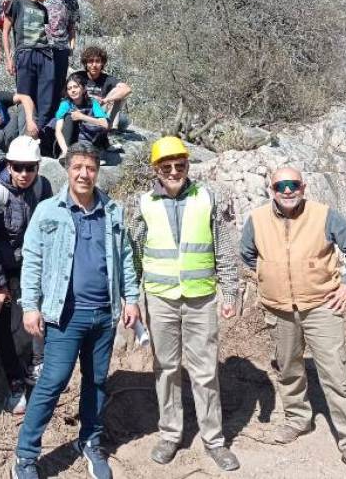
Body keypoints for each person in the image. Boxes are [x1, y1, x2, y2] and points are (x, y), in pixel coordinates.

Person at [240, 167, 346, 479]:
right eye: (281, 186)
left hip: (321, 307)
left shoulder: (324, 215)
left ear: (304, 187)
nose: (287, 190)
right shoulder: (257, 220)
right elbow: (247, 255)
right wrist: (269, 277)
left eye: (293, 185)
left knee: (337, 375)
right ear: (271, 190)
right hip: (279, 309)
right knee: (288, 368)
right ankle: (297, 418)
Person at [13, 142, 140, 479]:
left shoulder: (112, 210)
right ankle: (25, 455)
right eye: (78, 167)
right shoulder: (48, 211)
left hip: (104, 314)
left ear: (97, 171)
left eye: (91, 167)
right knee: (52, 381)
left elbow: (125, 257)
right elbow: (33, 262)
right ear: (67, 169)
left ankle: (90, 442)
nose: (84, 173)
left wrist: (132, 298)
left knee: (97, 382)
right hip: (65, 316)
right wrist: (30, 306)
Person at [127, 136, 240, 472]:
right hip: (160, 299)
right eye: (167, 166)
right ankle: (170, 434)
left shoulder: (207, 197)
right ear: (156, 169)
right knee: (166, 368)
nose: (174, 171)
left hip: (200, 298)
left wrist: (230, 292)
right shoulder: (144, 203)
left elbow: (223, 247)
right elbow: (133, 254)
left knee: (205, 371)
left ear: (188, 165)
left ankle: (214, 440)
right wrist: (131, 297)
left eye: (180, 165)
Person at [0, 135, 52, 415]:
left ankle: (38, 362)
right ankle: (14, 380)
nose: (24, 174)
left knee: (41, 310)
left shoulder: (43, 187)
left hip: (30, 262)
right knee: (2, 319)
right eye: (18, 167)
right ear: (8, 164)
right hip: (1, 265)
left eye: (30, 168)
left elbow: (49, 227)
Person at [3, 0, 54, 130]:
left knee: (46, 94)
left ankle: (42, 133)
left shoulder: (43, 9)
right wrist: (8, 58)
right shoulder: (17, 3)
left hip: (44, 54)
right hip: (25, 53)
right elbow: (5, 32)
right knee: (25, 94)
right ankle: (25, 132)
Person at [44, 0, 80, 118]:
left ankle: (55, 118)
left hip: (62, 47)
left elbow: (73, 26)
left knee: (59, 84)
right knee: (45, 83)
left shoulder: (72, 0)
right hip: (42, 46)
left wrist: (72, 45)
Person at [72, 46, 131, 131]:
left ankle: (110, 130)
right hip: (82, 110)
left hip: (100, 112)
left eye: (97, 61)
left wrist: (106, 100)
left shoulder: (108, 79)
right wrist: (90, 98)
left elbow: (127, 89)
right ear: (86, 63)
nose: (94, 65)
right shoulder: (78, 76)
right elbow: (67, 93)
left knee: (119, 93)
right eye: (90, 61)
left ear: (102, 63)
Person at [54, 74, 108, 159]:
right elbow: (58, 130)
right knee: (69, 117)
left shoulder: (92, 102)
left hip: (89, 138)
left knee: (98, 123)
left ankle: (93, 151)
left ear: (83, 89)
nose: (73, 90)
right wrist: (65, 150)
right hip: (69, 141)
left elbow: (105, 124)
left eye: (76, 87)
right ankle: (66, 154)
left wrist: (82, 117)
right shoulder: (65, 104)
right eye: (69, 88)